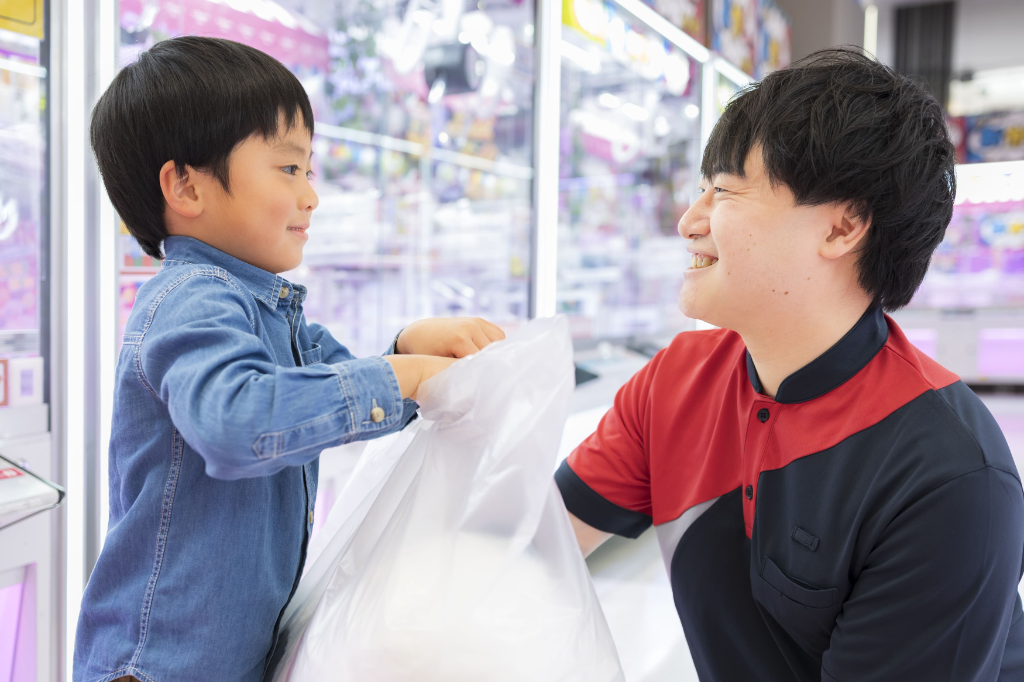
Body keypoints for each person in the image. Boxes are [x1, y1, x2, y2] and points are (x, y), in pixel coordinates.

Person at [557, 48, 1024, 681]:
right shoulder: (673, 382)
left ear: (842, 227)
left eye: (722, 191)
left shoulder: (950, 473)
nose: (688, 220)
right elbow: (536, 544)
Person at [74, 36, 504, 682]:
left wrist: (407, 348)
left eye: (309, 171)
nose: (312, 196)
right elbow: (237, 423)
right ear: (186, 185)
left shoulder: (268, 311)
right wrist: (401, 376)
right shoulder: (191, 300)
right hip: (159, 668)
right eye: (289, 169)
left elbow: (333, 385)